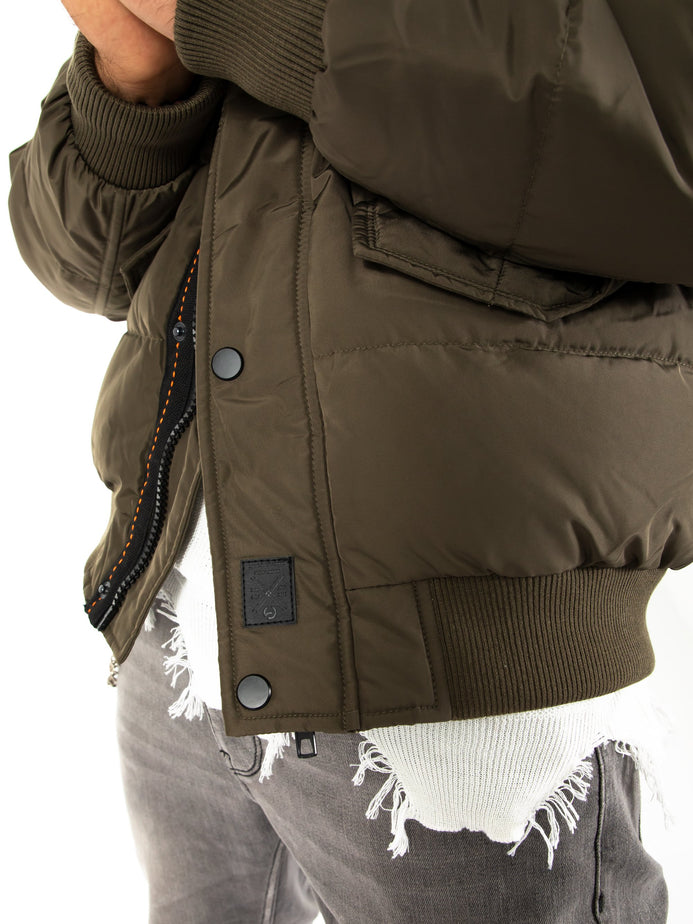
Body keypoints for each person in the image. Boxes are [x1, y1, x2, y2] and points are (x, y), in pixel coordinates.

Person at [9, 1, 693, 921]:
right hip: (179, 618)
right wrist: (134, 79)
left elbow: (655, 127)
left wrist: (227, 12)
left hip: (452, 683)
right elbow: (86, 264)